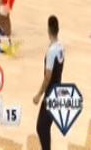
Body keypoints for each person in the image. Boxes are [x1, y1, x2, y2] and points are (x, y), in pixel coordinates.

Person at [33, 15, 65, 150]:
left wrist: (38, 95)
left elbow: (47, 77)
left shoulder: (52, 52)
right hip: (57, 91)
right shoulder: (61, 47)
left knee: (41, 127)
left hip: (50, 94)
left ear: (48, 30)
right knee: (44, 126)